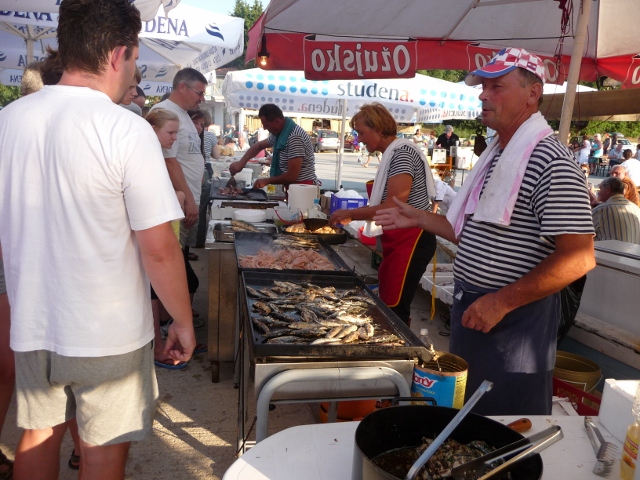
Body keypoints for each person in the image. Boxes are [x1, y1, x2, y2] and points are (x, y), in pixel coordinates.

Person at [0, 1, 195, 479]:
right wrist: (183, 322)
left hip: (33, 320)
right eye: (133, 58)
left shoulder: (10, 120)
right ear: (117, 55)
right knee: (103, 450)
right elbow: (159, 246)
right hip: (107, 331)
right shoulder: (125, 128)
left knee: (38, 434)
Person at [374, 47, 595, 415]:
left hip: (516, 322)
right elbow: (474, 233)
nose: (483, 95)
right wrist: (419, 218)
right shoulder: (497, 155)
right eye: (483, 87)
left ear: (532, 93)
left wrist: (501, 301)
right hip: (475, 309)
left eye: (496, 87)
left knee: (507, 425)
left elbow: (580, 257)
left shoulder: (551, 161)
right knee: (468, 417)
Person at [330, 103, 437, 325]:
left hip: (413, 239)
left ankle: (400, 353)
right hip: (397, 238)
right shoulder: (391, 155)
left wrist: (352, 213)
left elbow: (394, 206)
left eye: (361, 132)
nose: (359, 139)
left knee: (395, 308)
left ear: (378, 128)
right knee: (390, 303)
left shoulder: (402, 154)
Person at [150, 68, 208, 262]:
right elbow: (169, 161)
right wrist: (189, 200)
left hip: (188, 198)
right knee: (176, 262)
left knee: (182, 257)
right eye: (199, 93)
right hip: (179, 201)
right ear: (182, 87)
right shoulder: (165, 111)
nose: (202, 99)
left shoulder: (183, 114)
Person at [229, 104, 318, 189]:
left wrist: (266, 181)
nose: (264, 128)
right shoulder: (280, 134)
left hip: (303, 188)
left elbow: (292, 176)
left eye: (266, 125)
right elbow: (259, 146)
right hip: (293, 187)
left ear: (277, 121)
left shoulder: (294, 137)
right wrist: (241, 163)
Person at [592, 177, 640, 244]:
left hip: (608, 253)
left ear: (608, 190)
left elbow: (582, 232)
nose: (598, 192)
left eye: (600, 189)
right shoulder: (636, 208)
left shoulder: (601, 210)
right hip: (634, 253)